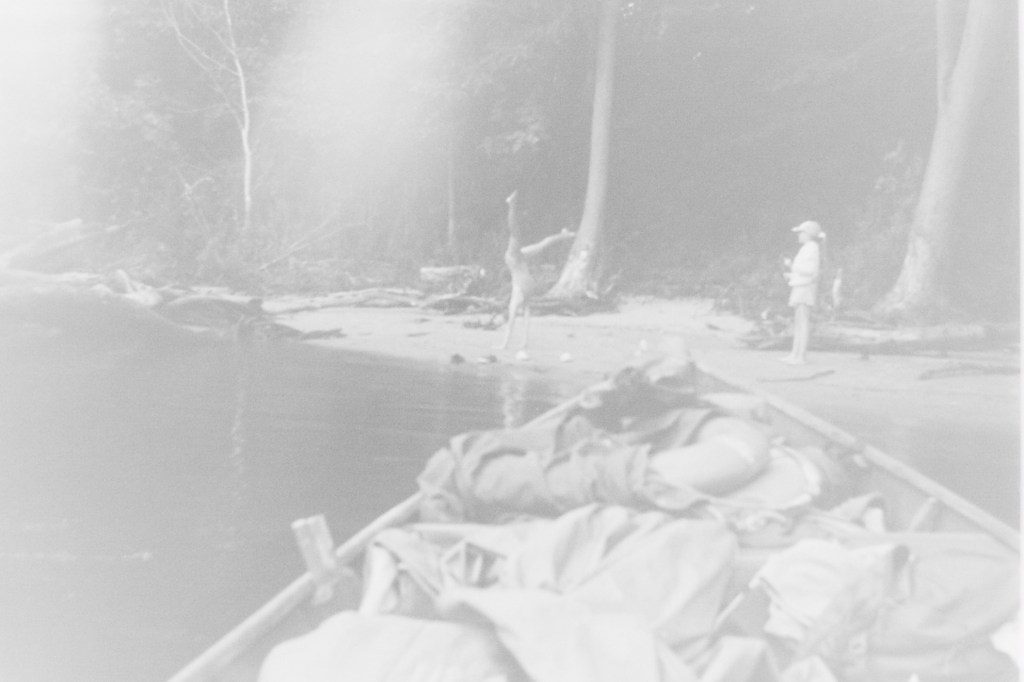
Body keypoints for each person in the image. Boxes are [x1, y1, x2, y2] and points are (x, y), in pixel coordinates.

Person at [497, 190, 575, 351]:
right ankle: (565, 235)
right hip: (529, 283)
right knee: (540, 243)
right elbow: (525, 315)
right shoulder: (521, 256)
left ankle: (511, 204)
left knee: (515, 235)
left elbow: (511, 320)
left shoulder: (513, 260)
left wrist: (504, 345)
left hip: (520, 278)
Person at [782, 220, 824, 365]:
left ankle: (801, 356)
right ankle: (794, 353)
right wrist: (791, 275)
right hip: (800, 286)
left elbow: (811, 271)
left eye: (801, 233)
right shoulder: (806, 248)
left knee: (802, 321)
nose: (798, 235)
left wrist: (792, 266)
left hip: (805, 288)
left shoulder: (812, 248)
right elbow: (802, 271)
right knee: (798, 321)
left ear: (808, 234)